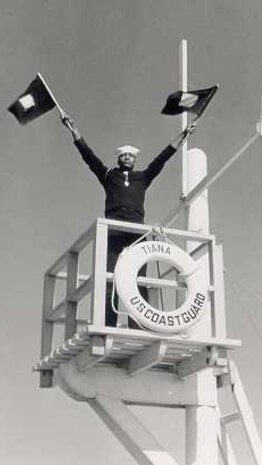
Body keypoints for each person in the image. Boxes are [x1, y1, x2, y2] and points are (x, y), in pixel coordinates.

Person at [61, 114, 197, 328]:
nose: (127, 158)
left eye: (130, 156)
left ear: (134, 160)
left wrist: (184, 134)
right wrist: (74, 131)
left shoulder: (142, 178)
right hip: (114, 231)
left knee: (138, 279)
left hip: (137, 234)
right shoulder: (108, 176)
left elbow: (162, 158)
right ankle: (109, 323)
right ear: (119, 158)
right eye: (123, 155)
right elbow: (89, 157)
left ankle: (137, 325)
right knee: (111, 278)